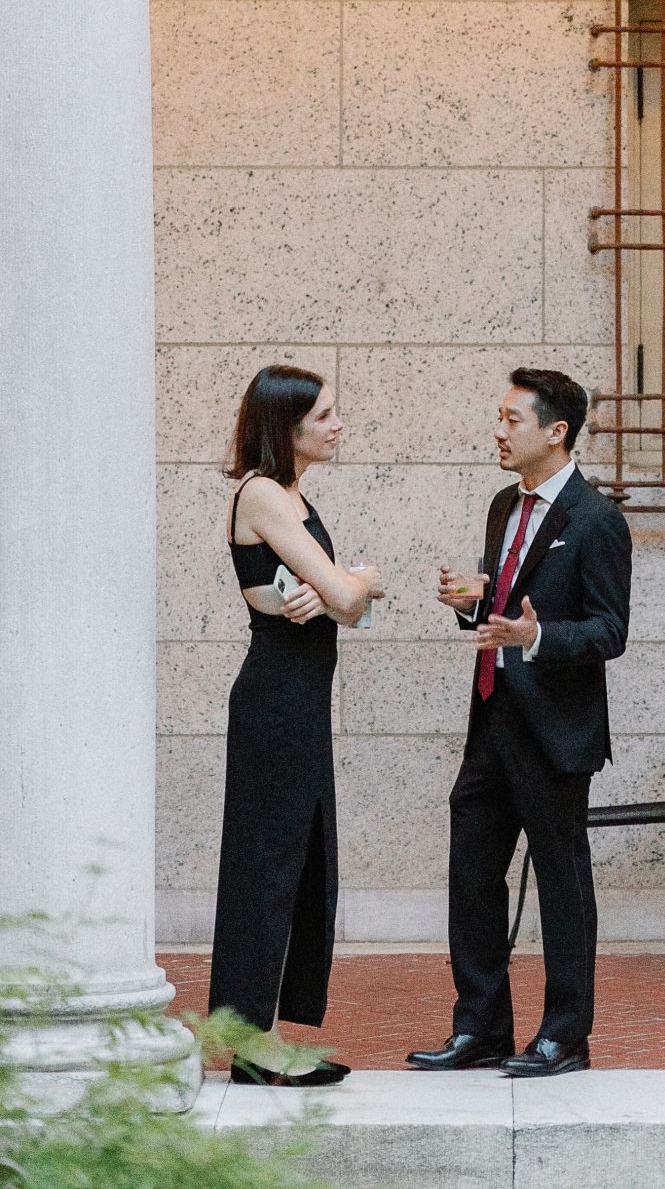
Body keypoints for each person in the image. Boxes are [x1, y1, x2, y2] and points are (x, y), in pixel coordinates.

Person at [407, 368, 631, 1079]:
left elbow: (609, 631)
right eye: (498, 418)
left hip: (556, 735)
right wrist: (474, 602)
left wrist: (537, 638)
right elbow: (506, 604)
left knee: (563, 887)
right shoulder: (505, 505)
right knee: (472, 875)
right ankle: (480, 1027)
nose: (498, 431)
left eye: (512, 419)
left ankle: (566, 1036)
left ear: (555, 431)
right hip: (491, 723)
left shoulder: (597, 521)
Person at [210, 365, 384, 1084]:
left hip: (297, 703)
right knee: (267, 869)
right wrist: (361, 579)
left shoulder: (290, 495)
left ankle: (262, 1034)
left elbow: (341, 607)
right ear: (286, 427)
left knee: (293, 866)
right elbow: (348, 594)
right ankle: (250, 1042)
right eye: (325, 416)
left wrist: (343, 595)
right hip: (276, 705)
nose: (338, 425)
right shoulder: (260, 492)